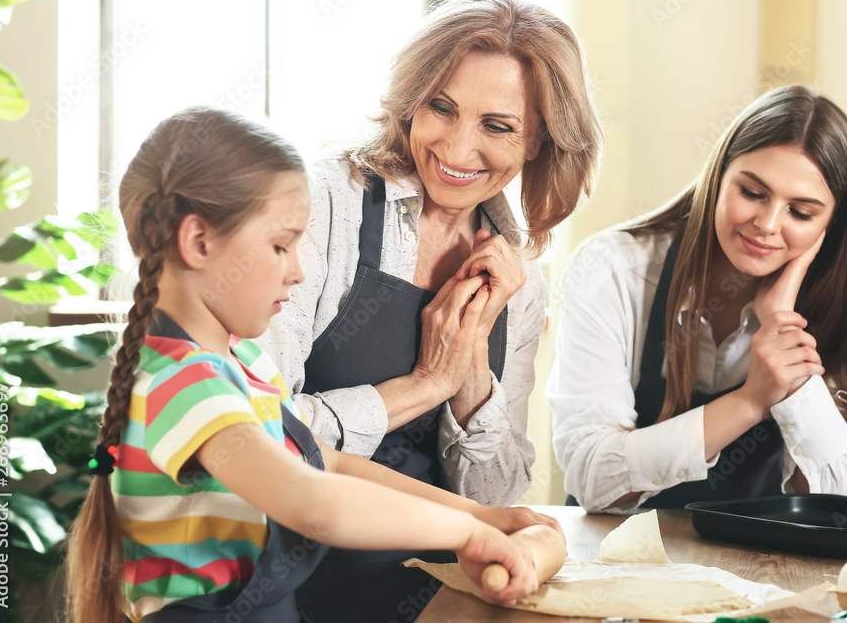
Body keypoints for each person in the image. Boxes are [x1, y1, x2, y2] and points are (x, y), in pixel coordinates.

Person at [64, 107, 560, 623]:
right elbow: (314, 504)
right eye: (280, 246)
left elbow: (330, 462)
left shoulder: (243, 364)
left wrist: (482, 514)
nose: (299, 272)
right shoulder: (184, 384)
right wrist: (468, 535)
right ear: (198, 242)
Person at [255, 0, 602, 620]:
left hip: (441, 579)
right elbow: (263, 433)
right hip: (285, 570)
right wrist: (424, 385)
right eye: (441, 107)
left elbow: (497, 490)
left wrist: (470, 376)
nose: (456, 147)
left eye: (497, 126)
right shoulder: (325, 204)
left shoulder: (517, 278)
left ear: (539, 143)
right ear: (411, 100)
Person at [547, 85, 847, 513]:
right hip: (619, 562)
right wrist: (750, 401)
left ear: (832, 226)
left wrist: (783, 332)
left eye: (800, 213)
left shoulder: (834, 308)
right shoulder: (614, 270)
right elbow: (593, 479)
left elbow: (842, 505)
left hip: (760, 572)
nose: (767, 224)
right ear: (719, 177)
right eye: (751, 193)